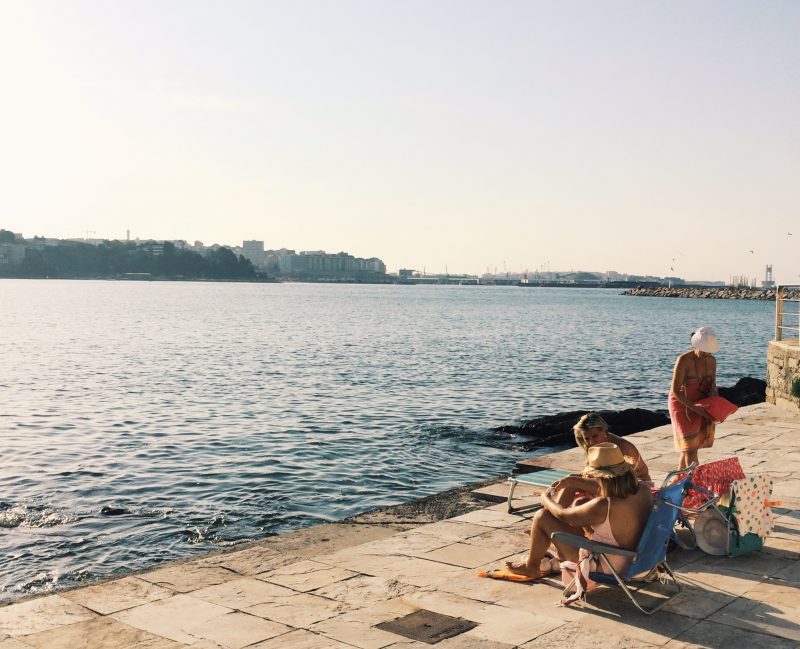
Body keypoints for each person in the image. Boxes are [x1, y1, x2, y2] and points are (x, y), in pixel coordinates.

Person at [504, 443, 653, 581]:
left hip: (610, 566)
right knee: (580, 503)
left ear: (602, 477)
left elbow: (564, 515)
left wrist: (546, 500)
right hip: (640, 563)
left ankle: (531, 567)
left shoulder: (603, 505)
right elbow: (607, 488)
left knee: (542, 517)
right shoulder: (643, 489)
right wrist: (573, 481)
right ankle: (546, 545)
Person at [669, 326, 719, 470]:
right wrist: (693, 408)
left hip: (702, 404)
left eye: (709, 351)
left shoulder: (711, 361)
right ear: (694, 345)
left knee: (690, 447)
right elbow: (675, 390)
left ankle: (678, 479)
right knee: (689, 447)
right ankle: (693, 482)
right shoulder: (684, 360)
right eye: (704, 350)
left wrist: (716, 407)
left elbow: (713, 386)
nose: (706, 354)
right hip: (682, 404)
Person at [572, 412, 651, 485]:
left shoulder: (619, 448)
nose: (591, 442)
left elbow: (620, 481)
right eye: (587, 438)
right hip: (613, 483)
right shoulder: (598, 445)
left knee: (574, 485)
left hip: (638, 484)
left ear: (605, 432)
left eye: (595, 436)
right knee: (571, 480)